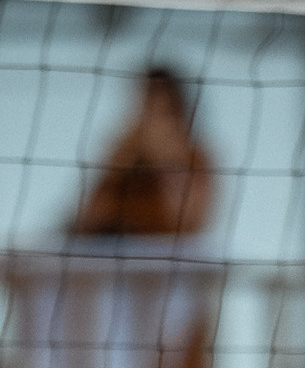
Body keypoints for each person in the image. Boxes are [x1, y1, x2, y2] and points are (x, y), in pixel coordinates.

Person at [75, 68, 214, 243]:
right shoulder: (124, 149)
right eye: (144, 105)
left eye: (160, 109)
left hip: (166, 257)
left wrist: (166, 163)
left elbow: (189, 223)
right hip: (112, 253)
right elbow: (90, 218)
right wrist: (121, 163)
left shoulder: (195, 157)